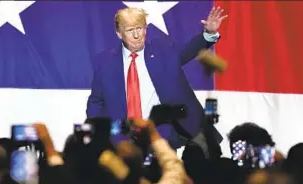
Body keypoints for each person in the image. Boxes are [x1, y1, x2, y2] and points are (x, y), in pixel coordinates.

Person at [86, 6, 228, 148]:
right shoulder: (104, 62)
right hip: (123, 138)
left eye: (140, 28)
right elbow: (96, 102)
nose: (137, 35)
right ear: (119, 33)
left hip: (161, 133)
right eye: (130, 30)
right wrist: (97, 133)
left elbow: (190, 50)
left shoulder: (164, 50)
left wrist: (209, 33)